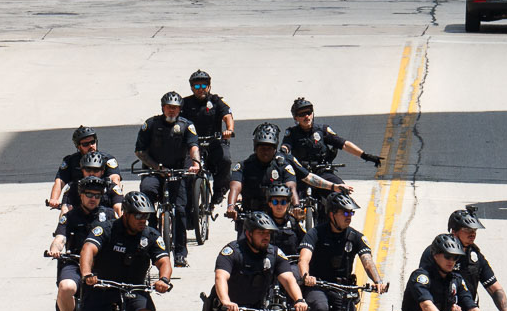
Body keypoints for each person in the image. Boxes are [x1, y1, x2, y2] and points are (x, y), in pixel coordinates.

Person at [296, 192, 388, 311]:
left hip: (343, 288)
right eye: (345, 213)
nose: (349, 217)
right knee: (321, 309)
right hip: (318, 286)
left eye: (351, 213)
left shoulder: (355, 237)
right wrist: (306, 276)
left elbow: (367, 260)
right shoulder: (316, 233)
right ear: (332, 214)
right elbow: (303, 259)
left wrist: (378, 281)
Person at [227, 122, 352, 221]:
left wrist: (333, 186)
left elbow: (303, 180)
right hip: (251, 217)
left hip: (280, 216)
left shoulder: (285, 161)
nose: (265, 152)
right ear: (255, 147)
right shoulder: (244, 165)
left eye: (269, 148)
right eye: (262, 147)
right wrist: (231, 206)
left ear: (275, 148)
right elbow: (235, 187)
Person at [47, 173, 113, 311]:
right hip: (74, 262)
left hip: (101, 265)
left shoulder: (109, 215)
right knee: (66, 287)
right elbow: (60, 238)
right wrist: (55, 249)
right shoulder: (70, 217)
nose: (93, 199)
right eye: (89, 194)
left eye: (97, 196)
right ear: (81, 195)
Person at [135, 91, 202, 267]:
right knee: (146, 200)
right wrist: (158, 168)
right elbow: (140, 151)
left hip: (177, 171)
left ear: (180, 110)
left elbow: (193, 146)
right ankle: (150, 239)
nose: (172, 111)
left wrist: (196, 162)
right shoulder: (150, 124)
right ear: (163, 108)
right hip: (154, 171)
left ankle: (180, 254)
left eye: (176, 108)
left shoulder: (187, 125)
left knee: (180, 210)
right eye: (169, 107)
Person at [448, 206, 507, 311]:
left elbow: (494, 288)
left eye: (474, 230)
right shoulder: (437, 253)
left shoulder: (475, 257)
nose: (472, 234)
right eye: (467, 229)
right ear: (454, 231)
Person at [283, 96, 382, 173]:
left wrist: (365, 156)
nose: (306, 116)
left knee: (341, 191)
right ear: (296, 118)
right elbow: (286, 147)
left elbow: (343, 144)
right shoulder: (292, 133)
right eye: (302, 114)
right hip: (302, 174)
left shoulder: (322, 130)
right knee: (290, 195)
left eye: (308, 112)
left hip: (323, 172)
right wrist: (282, 152)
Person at [180, 70, 234, 209]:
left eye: (203, 86)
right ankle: (188, 205)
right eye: (196, 87)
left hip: (214, 141)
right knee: (186, 170)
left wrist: (229, 130)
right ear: (192, 88)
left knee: (225, 160)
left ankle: (218, 193)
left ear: (209, 86)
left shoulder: (216, 101)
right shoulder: (185, 103)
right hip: (193, 144)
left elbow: (228, 116)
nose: (200, 89)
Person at [47, 126, 124, 215]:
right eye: (85, 144)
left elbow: (115, 179)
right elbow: (60, 182)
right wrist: (54, 199)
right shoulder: (70, 161)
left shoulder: (107, 159)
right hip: (79, 200)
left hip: (103, 197)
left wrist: (116, 198)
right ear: (78, 146)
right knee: (65, 211)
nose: (91, 146)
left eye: (92, 142)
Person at [261, 182, 305, 257]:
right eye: (275, 202)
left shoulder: (294, 223)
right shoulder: (263, 223)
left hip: (291, 264)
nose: (279, 206)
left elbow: (305, 245)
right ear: (270, 204)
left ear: (288, 204)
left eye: (283, 202)